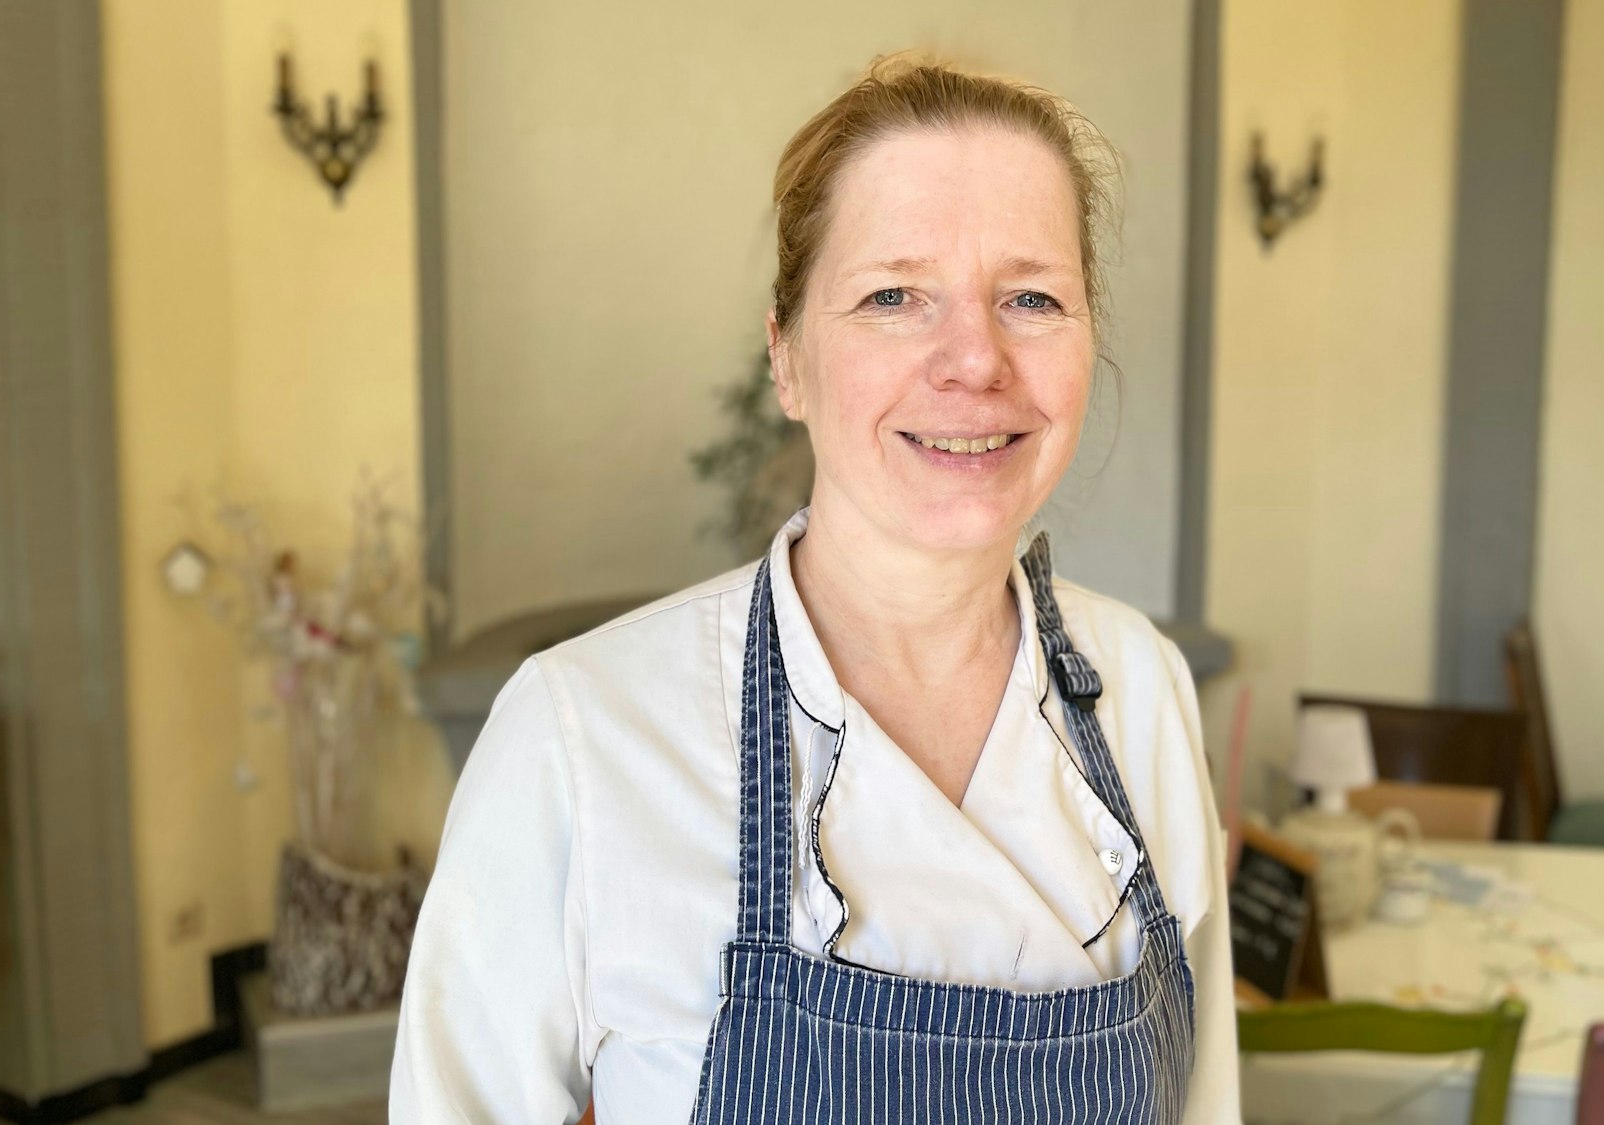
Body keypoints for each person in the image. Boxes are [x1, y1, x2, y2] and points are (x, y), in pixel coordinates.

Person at [390, 55, 1241, 1123]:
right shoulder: (580, 735)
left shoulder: (1140, 691)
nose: (973, 359)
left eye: (1031, 297)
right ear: (785, 357)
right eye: (893, 296)